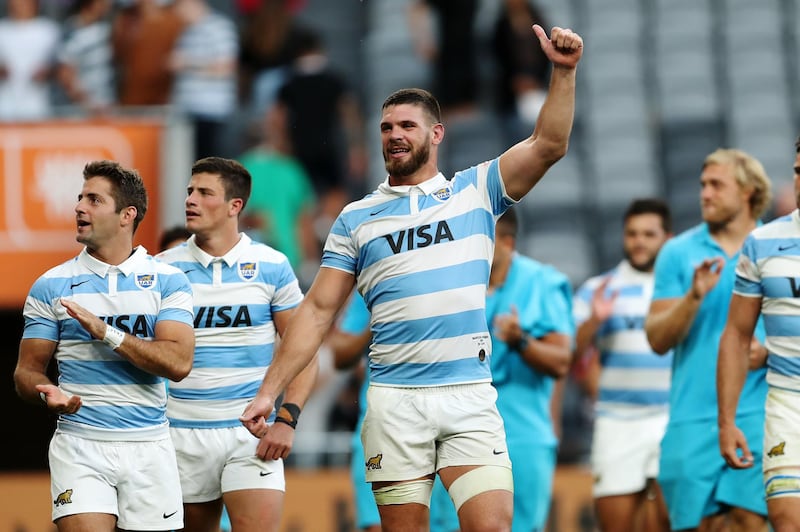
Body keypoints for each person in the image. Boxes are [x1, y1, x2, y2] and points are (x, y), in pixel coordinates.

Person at [241, 24, 583, 532]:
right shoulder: (357, 218)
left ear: (436, 134)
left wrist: (562, 71)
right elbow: (316, 312)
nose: (395, 135)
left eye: (407, 125)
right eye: (386, 128)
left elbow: (549, 143)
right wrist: (270, 390)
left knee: (492, 525)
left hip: (468, 393)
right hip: (395, 399)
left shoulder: (477, 190)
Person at [14, 160, 195, 531]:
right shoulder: (51, 285)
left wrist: (106, 332)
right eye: (80, 198)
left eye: (94, 200)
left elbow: (178, 363)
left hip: (149, 446)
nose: (79, 207)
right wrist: (46, 393)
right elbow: (26, 371)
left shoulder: (168, 281)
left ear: (127, 214)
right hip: (81, 445)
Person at [156, 157, 318, 532]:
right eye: (189, 191)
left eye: (204, 192)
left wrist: (287, 420)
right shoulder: (161, 270)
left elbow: (304, 352)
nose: (190, 200)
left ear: (235, 206)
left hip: (248, 432)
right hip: (179, 433)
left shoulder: (271, 265)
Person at [645, 148, 773, 532]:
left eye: (717, 185)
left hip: (759, 411)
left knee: (750, 521)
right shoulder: (677, 253)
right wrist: (694, 296)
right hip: (691, 416)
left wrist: (768, 350)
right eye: (703, 185)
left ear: (748, 191)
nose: (705, 193)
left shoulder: (777, 246)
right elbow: (657, 338)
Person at [573, 198, 673, 532]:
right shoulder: (598, 289)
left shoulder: (683, 290)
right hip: (617, 422)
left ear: (667, 238)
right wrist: (593, 323)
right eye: (632, 234)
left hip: (671, 421)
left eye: (649, 234)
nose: (639, 241)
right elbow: (569, 357)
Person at [717, 138, 800, 531]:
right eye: (799, 172)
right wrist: (726, 421)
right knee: (786, 519)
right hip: (787, 402)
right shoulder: (763, 242)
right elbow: (736, 334)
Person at [328, 292, 459, 532]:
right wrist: (378, 322)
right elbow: (340, 355)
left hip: (446, 428)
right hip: (384, 426)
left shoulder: (452, 278)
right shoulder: (375, 282)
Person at [485, 207, 574, 531]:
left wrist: (520, 339)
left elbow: (561, 360)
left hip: (521, 433)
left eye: (484, 237)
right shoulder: (458, 284)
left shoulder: (541, 282)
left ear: (507, 243)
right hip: (460, 431)